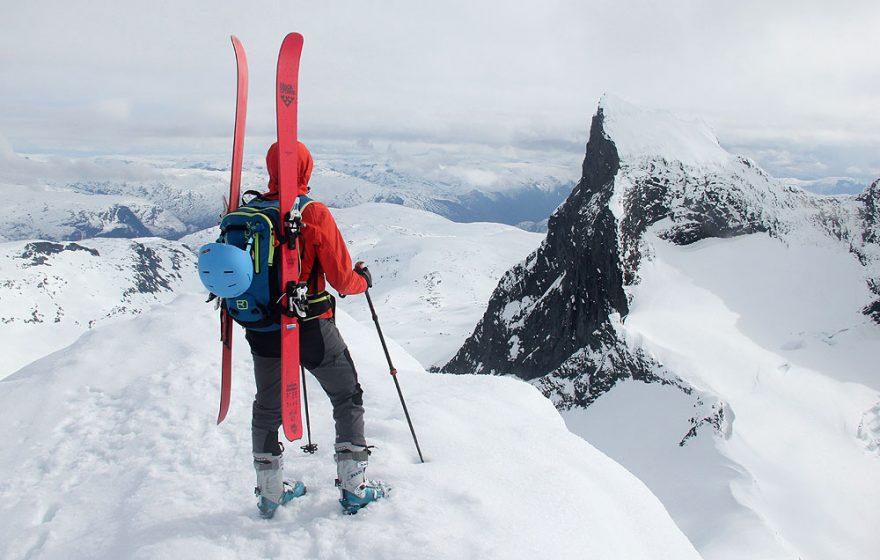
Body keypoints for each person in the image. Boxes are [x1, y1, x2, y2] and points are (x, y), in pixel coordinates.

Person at [248, 141, 389, 518]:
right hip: (309, 327)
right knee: (346, 394)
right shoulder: (313, 213)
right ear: (306, 169)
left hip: (261, 328)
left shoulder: (248, 212)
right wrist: (363, 279)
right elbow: (343, 279)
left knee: (267, 406)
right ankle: (354, 487)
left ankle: (271, 493)